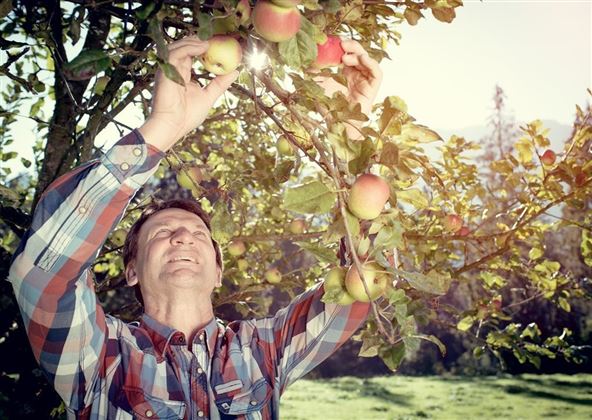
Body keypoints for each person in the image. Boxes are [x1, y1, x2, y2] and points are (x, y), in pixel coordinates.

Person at [8, 35, 383, 419]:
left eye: (199, 234)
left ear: (219, 271)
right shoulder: (101, 356)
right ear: (132, 271)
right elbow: (41, 274)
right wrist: (162, 129)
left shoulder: (264, 351)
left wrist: (352, 134)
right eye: (161, 232)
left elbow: (357, 288)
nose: (183, 235)